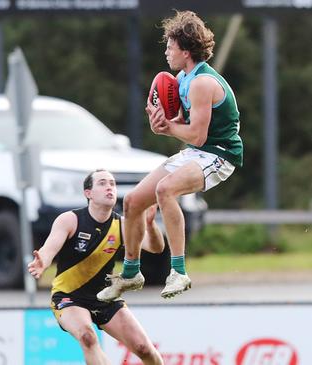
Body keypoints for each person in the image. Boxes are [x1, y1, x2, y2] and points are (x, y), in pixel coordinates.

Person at [97, 10, 243, 301]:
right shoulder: (182, 77)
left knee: (166, 190)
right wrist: (161, 122)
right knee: (134, 201)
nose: (166, 52)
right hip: (197, 152)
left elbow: (197, 135)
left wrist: (170, 128)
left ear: (186, 50)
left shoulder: (202, 83)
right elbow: (177, 124)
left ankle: (178, 271)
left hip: (219, 154)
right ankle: (131, 273)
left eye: (170, 47)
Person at [28, 170, 164, 365]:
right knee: (88, 338)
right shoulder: (70, 220)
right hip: (69, 297)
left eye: (112, 183)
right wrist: (42, 261)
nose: (109, 187)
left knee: (144, 348)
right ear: (88, 193)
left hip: (106, 297)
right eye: (102, 183)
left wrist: (150, 224)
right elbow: (49, 249)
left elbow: (156, 247)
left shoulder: (123, 225)